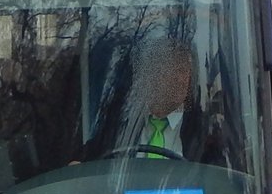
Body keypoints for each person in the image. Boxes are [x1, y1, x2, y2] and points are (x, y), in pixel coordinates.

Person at [81, 38, 226, 164]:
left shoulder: (206, 131)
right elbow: (86, 160)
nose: (179, 79)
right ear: (151, 77)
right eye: (170, 69)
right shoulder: (119, 127)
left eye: (184, 71)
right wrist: (78, 164)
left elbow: (220, 182)